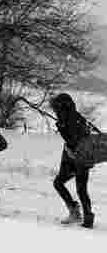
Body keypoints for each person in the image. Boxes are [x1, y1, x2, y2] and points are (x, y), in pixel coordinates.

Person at [49, 93, 95, 229]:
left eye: (56, 108)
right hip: (81, 158)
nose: (55, 111)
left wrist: (61, 127)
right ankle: (87, 217)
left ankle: (76, 212)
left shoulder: (67, 120)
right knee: (81, 189)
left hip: (76, 158)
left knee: (60, 183)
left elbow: (72, 140)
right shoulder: (77, 117)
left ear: (61, 107)